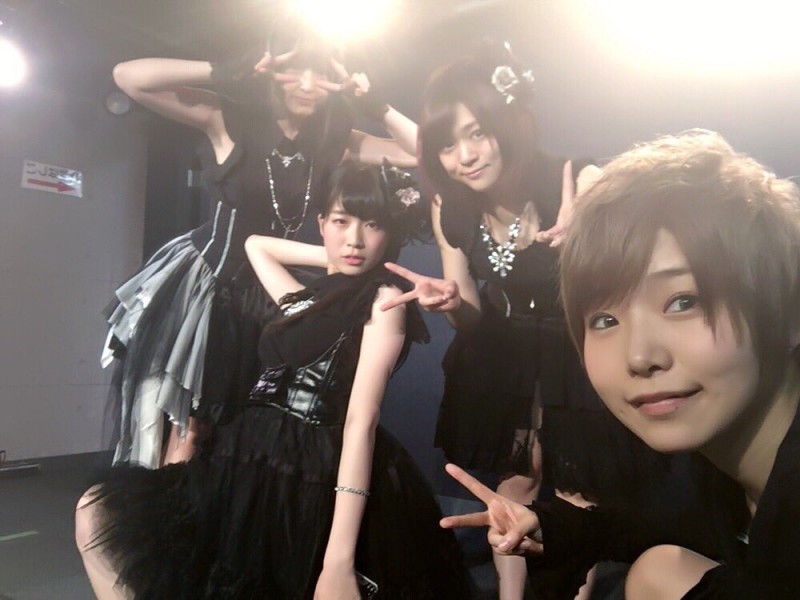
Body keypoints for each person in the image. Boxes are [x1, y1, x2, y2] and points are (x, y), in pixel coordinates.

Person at [76, 160, 473, 599]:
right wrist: (336, 257)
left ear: (390, 232)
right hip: (245, 457)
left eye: (373, 225)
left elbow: (360, 422)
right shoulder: (306, 300)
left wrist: (338, 562)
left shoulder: (385, 301)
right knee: (96, 512)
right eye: (341, 221)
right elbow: (256, 246)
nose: (355, 239)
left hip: (311, 473)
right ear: (321, 223)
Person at [440, 130, 800, 599]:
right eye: (604, 319)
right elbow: (667, 522)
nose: (639, 357)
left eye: (683, 301)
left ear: (789, 312)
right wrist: (549, 525)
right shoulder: (710, 470)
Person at [382, 40, 663, 599]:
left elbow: (654, 251)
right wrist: (450, 303)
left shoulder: (577, 179)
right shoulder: (450, 205)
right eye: (446, 144)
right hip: (504, 351)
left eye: (476, 133)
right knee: (516, 479)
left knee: (582, 485)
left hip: (578, 347)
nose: (464, 156)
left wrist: (595, 231)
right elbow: (469, 316)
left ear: (507, 123)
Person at [103, 19, 418, 468]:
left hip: (271, 288)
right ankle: (165, 509)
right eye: (295, 70)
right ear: (270, 68)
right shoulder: (229, 119)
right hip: (209, 288)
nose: (307, 85)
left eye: (321, 73)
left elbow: (421, 153)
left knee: (239, 430)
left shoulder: (333, 142)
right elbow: (128, 77)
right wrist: (223, 70)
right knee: (188, 429)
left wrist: (375, 103)